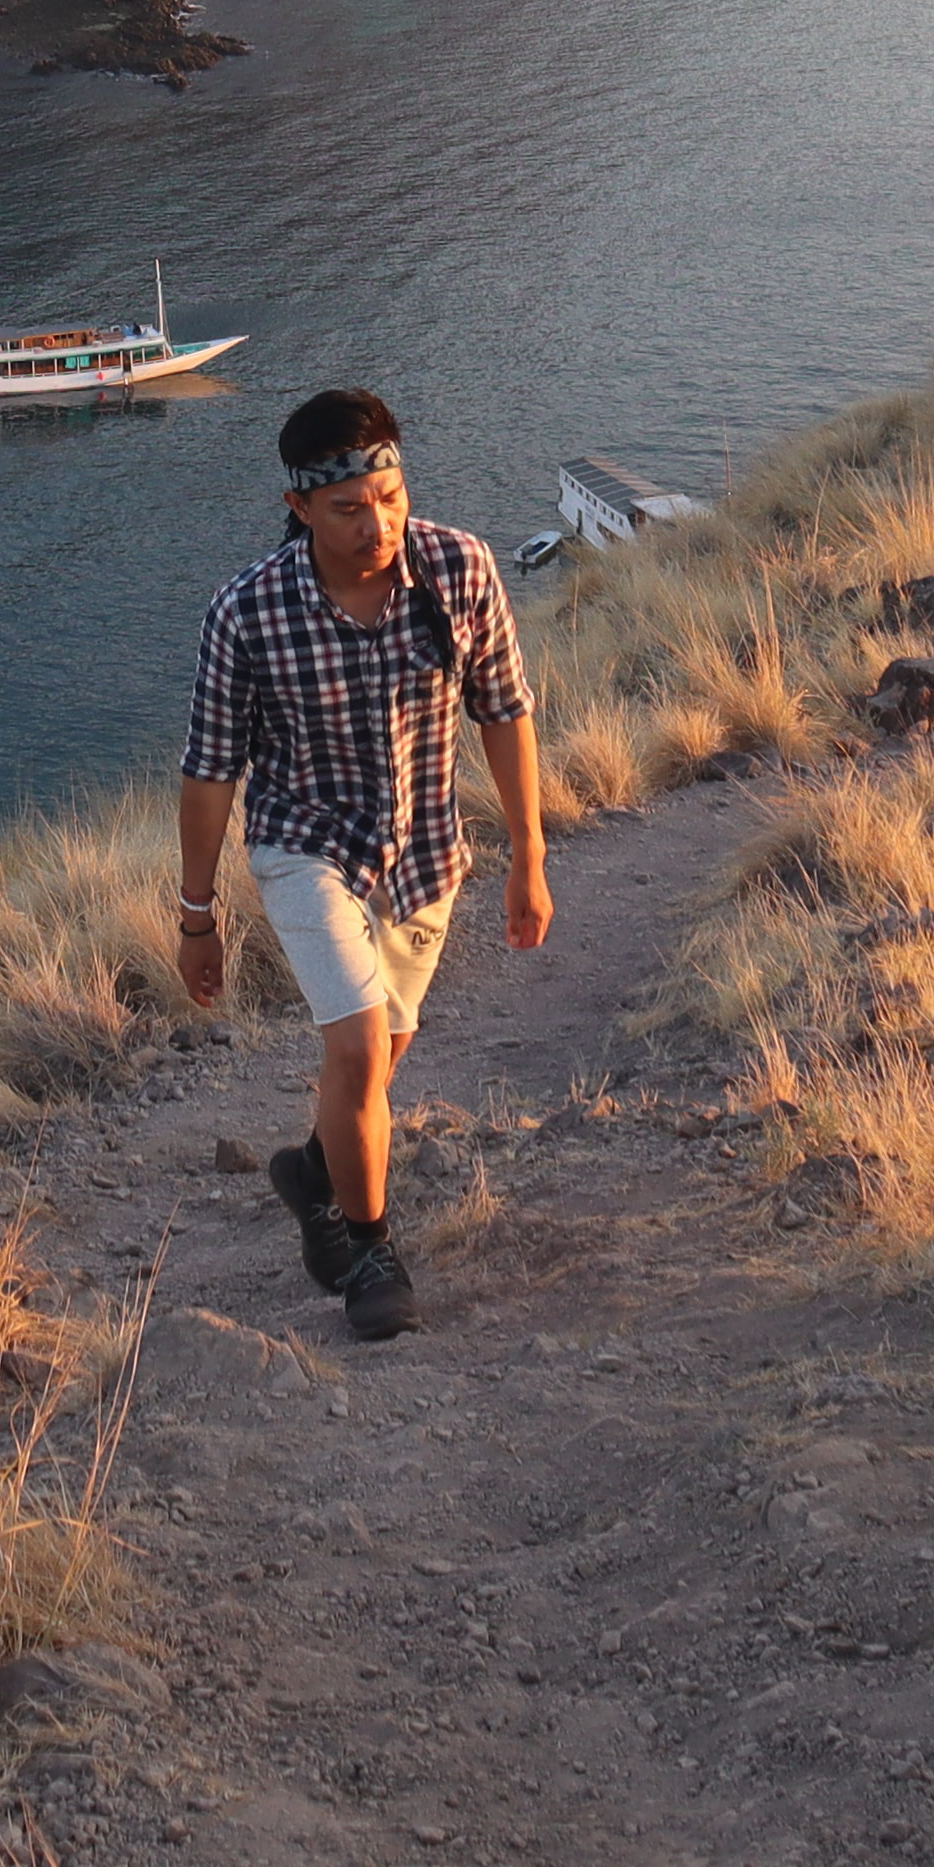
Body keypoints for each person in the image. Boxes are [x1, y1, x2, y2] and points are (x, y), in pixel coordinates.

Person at [174, 384, 552, 1339]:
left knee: (380, 1061)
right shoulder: (246, 613)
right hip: (305, 846)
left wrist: (528, 855)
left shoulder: (459, 570)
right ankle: (370, 1250)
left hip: (426, 854)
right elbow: (210, 772)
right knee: (353, 1046)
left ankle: (312, 1169)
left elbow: (504, 713)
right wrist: (196, 915)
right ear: (299, 508)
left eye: (390, 496)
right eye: (347, 508)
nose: (377, 522)